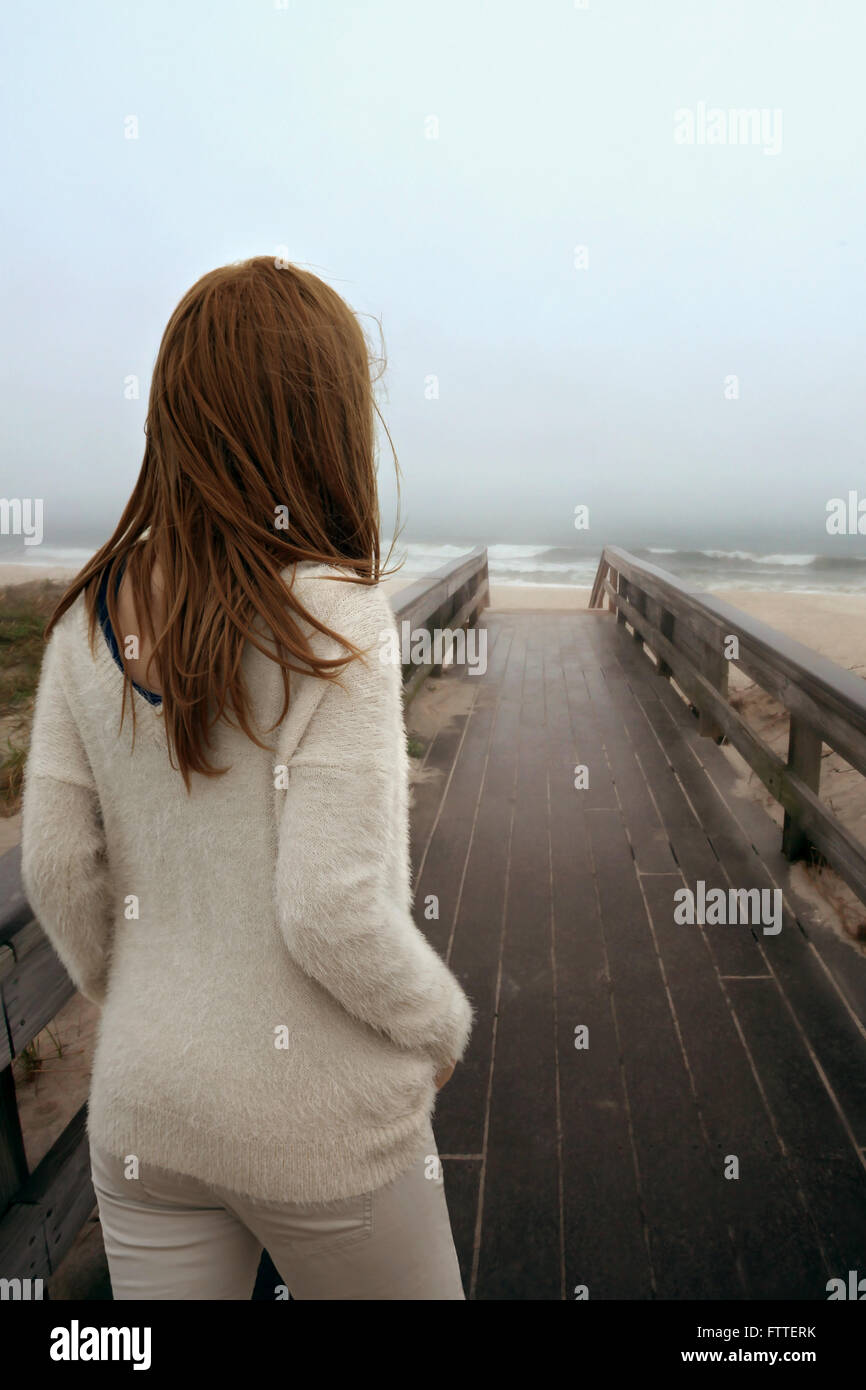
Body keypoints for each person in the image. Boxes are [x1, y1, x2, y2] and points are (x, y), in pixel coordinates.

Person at [20, 256, 474, 1300]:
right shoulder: (336, 621)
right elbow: (329, 909)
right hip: (319, 1134)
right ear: (324, 423)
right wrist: (438, 1028)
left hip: (149, 1115)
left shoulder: (86, 626)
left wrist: (150, 1000)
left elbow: (55, 870)